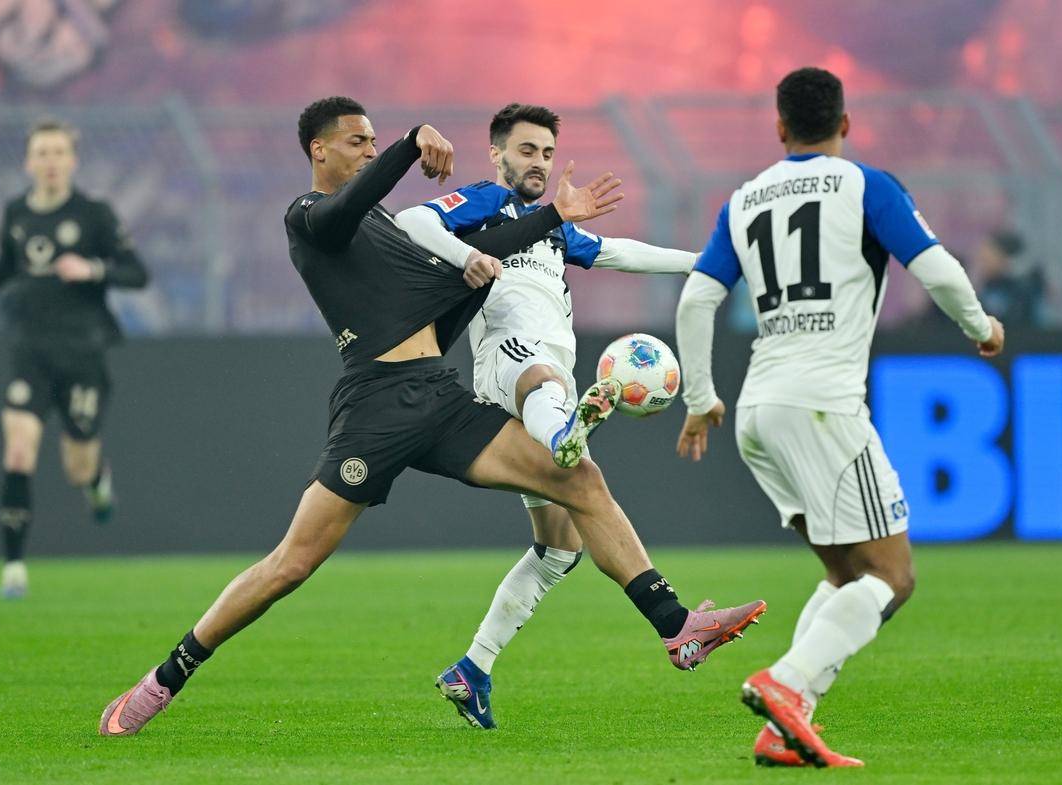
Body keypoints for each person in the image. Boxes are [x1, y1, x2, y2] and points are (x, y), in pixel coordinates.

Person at [98, 97, 765, 737]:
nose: (368, 151)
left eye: (373, 140)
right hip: (375, 406)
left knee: (581, 480)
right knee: (290, 566)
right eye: (358, 141)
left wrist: (544, 223)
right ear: (319, 149)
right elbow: (347, 211)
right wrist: (409, 141)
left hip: (438, 397)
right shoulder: (308, 217)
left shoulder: (384, 225)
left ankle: (677, 627)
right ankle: (163, 678)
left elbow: (463, 275)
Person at [674, 68, 1004, 767]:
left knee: (848, 575)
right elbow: (939, 270)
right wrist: (982, 325)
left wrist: (700, 396)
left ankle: (783, 728)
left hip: (758, 410)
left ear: (780, 128)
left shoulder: (743, 199)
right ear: (845, 124)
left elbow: (698, 299)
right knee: (893, 575)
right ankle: (786, 683)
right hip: (822, 405)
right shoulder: (866, 187)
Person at [394, 103, 698, 729]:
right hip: (509, 363)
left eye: (547, 154)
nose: (538, 163)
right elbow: (410, 219)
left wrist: (704, 263)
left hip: (547, 380)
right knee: (546, 379)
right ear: (496, 154)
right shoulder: (486, 203)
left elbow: (618, 252)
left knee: (559, 548)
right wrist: (462, 256)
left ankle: (473, 669)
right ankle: (565, 432)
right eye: (526, 150)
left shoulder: (552, 226)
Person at [0, 119, 149, 599]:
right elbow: (10, 264)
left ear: (73, 160)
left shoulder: (94, 215)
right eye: (42, 153)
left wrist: (92, 269)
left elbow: (137, 273)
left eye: (58, 153)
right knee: (18, 450)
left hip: (83, 353)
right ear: (29, 162)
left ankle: (97, 481)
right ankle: (13, 570)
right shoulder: (16, 213)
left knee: (77, 467)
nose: (50, 162)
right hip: (30, 352)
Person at [976, 229, 1045, 327]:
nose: (982, 262)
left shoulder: (1023, 289)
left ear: (1004, 258)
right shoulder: (987, 287)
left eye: (988, 257)